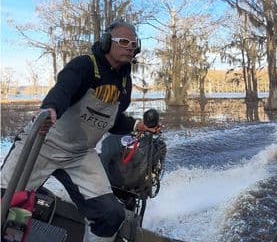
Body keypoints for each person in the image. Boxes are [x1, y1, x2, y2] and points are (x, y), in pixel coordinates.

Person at [1, 20, 160, 242]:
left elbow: (110, 121)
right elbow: (63, 89)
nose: (129, 47)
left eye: (134, 44)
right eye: (123, 41)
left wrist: (136, 126)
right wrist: (51, 108)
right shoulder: (85, 65)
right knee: (6, 202)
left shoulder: (125, 82)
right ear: (106, 42)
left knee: (110, 215)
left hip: (79, 154)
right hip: (43, 143)